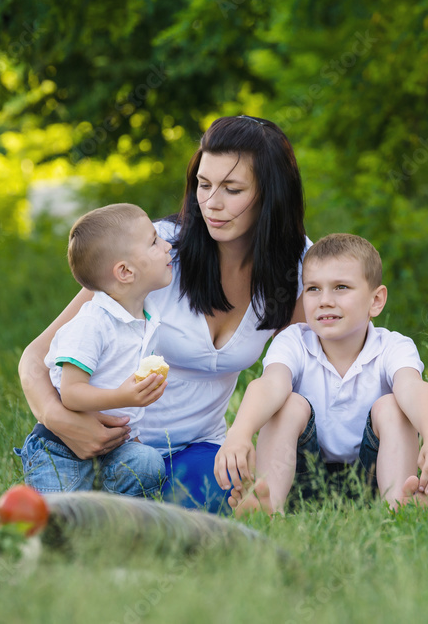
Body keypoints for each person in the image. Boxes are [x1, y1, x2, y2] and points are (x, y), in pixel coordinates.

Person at [18, 115, 309, 512]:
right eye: (203, 185)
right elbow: (36, 357)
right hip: (110, 445)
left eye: (233, 189)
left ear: (270, 194)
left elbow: (298, 374)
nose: (211, 203)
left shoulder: (298, 268)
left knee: (206, 515)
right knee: (73, 522)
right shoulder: (154, 252)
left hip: (197, 447)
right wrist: (58, 417)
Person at [213, 233, 428, 513]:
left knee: (393, 405)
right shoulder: (294, 340)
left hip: (376, 476)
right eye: (313, 289)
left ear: (376, 300)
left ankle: (401, 504)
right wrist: (240, 433)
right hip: (302, 477)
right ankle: (269, 502)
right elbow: (270, 384)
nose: (325, 300)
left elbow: (413, 388)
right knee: (288, 404)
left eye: (341, 287)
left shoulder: (393, 346)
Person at [17, 203, 171, 496]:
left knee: (149, 463)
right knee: (61, 523)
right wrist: (123, 396)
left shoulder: (146, 318)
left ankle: (113, 514)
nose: (166, 245)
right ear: (125, 272)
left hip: (112, 449)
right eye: (154, 241)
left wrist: (133, 435)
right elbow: (72, 393)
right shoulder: (90, 323)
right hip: (60, 449)